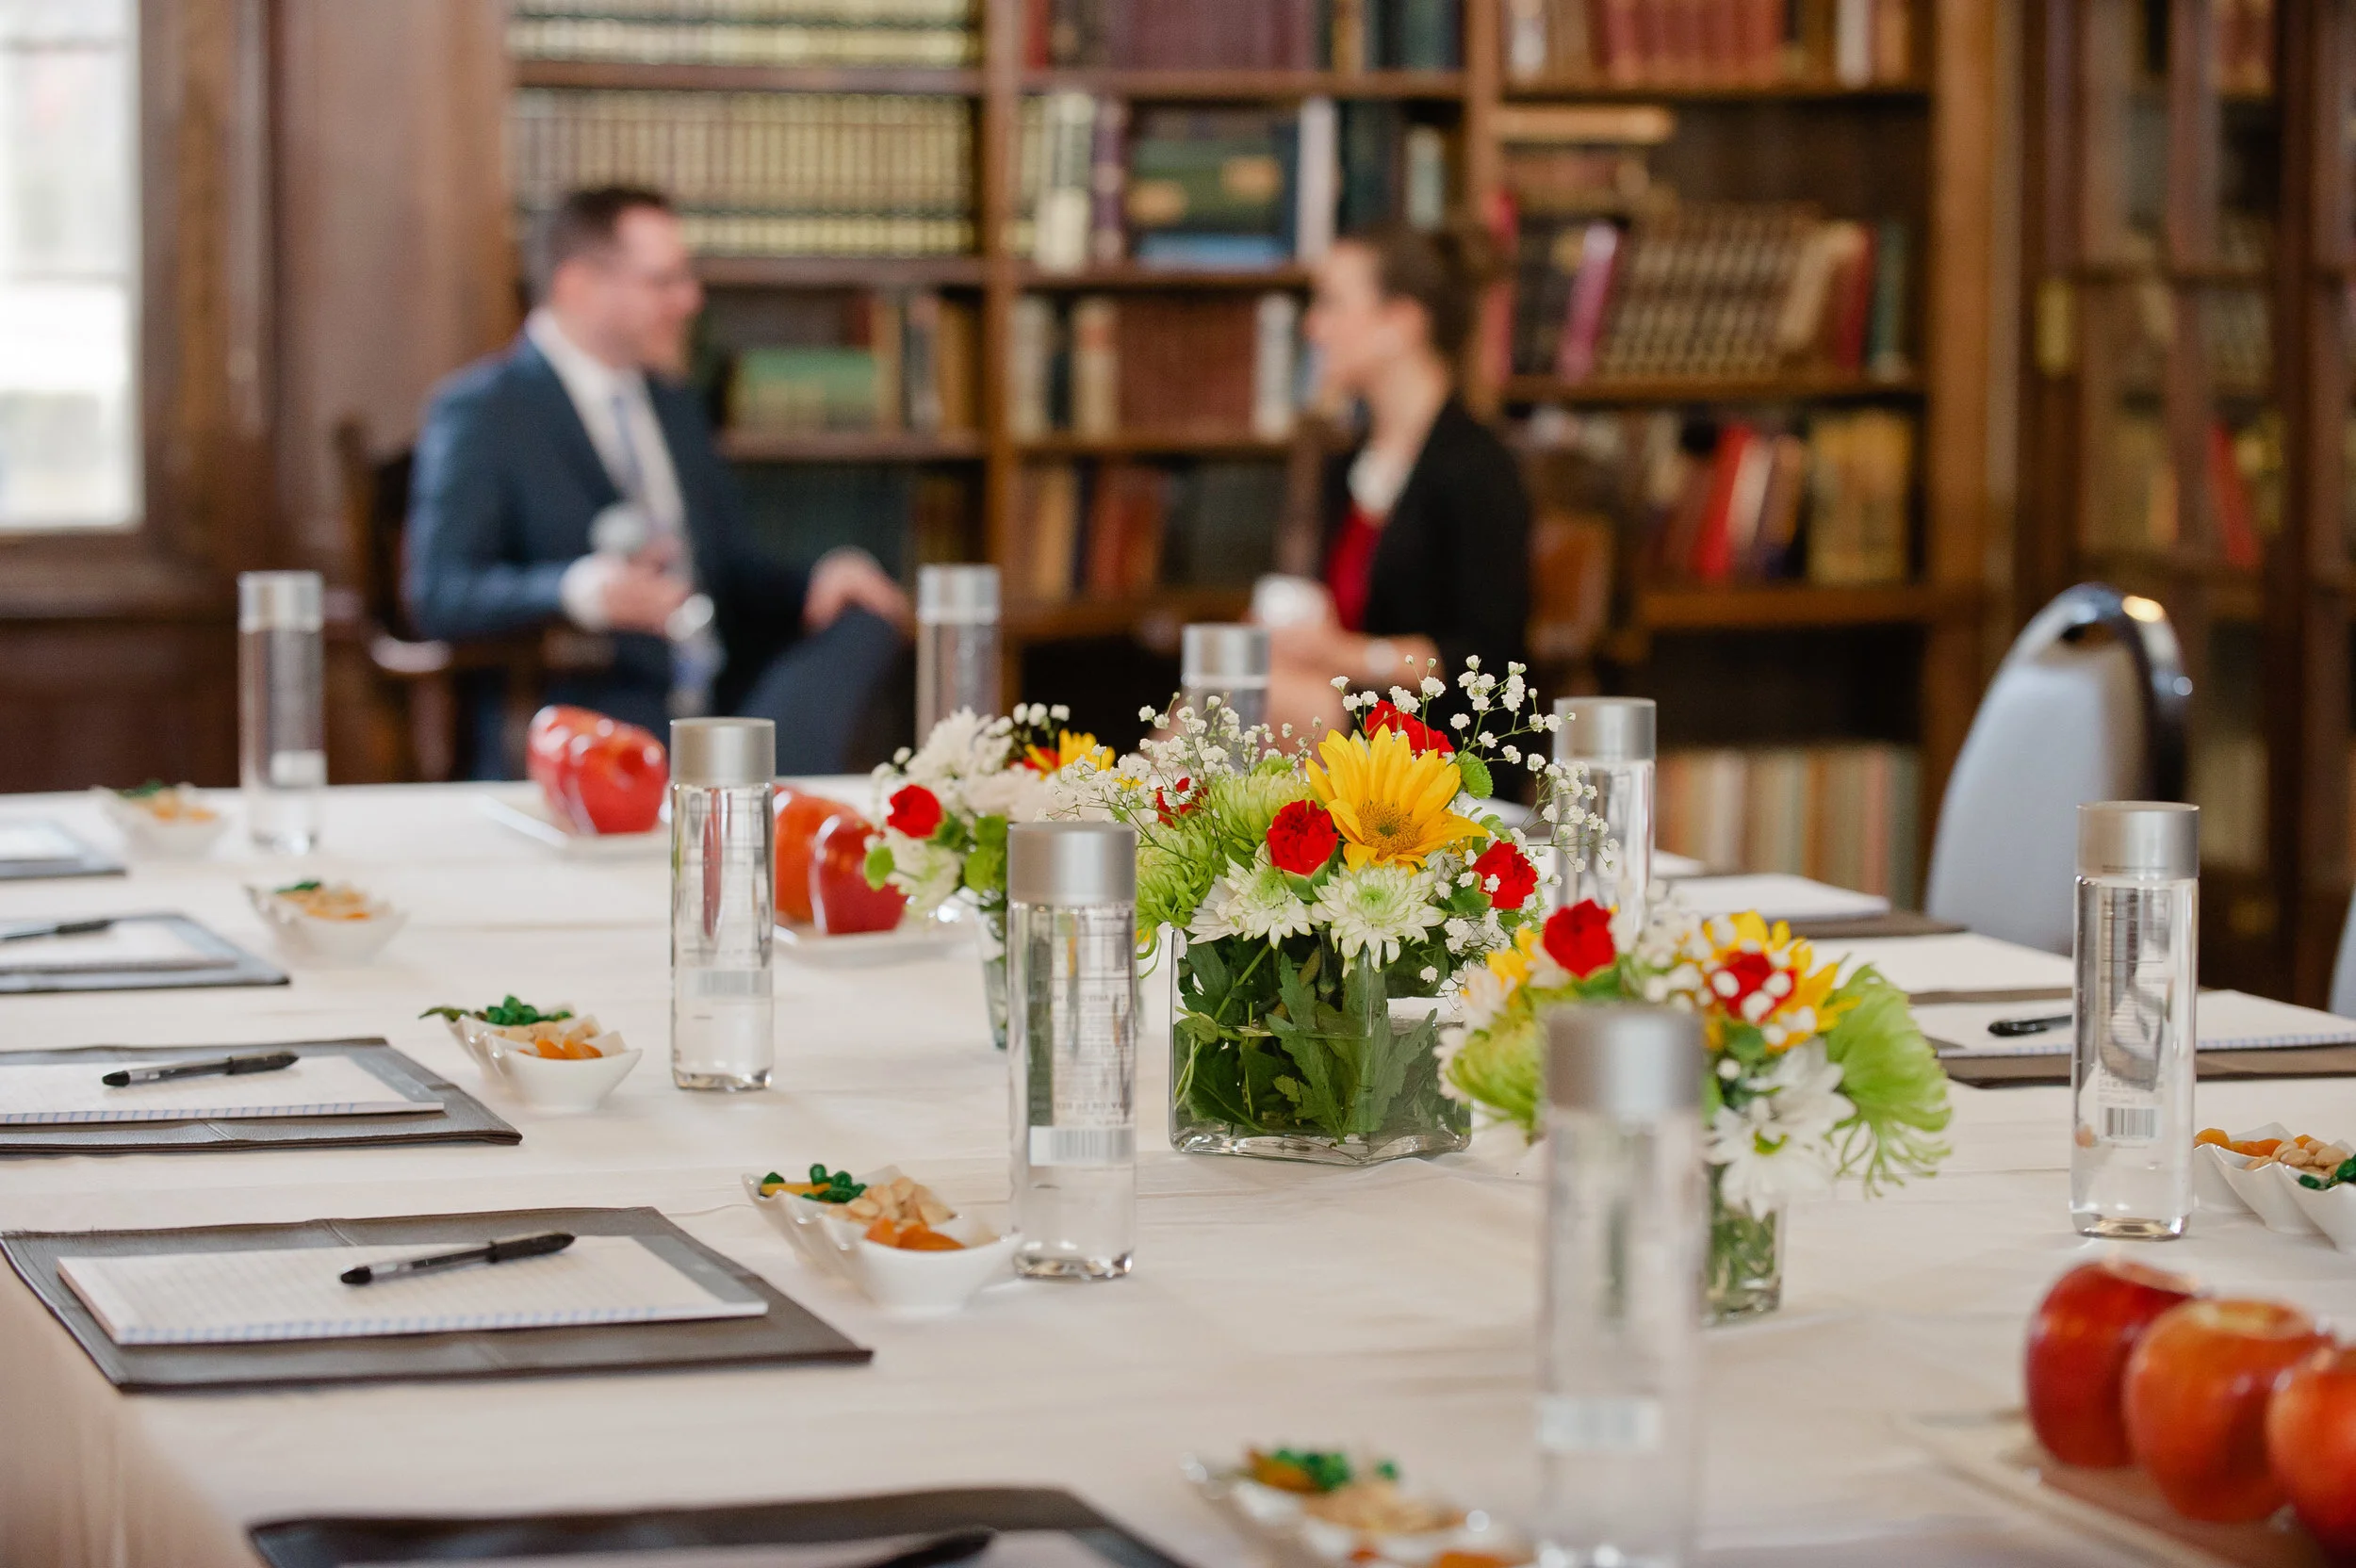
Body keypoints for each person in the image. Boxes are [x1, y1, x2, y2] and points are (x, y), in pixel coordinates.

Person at [406, 186, 911, 773]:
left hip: (715, 692)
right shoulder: (484, 410)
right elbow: (440, 593)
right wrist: (580, 591)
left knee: (865, 618)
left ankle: (747, 782)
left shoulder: (672, 404)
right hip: (596, 720)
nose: (690, 300)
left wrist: (819, 580)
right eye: (662, 281)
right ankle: (754, 789)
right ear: (578, 286)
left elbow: (732, 570)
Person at [1261, 219, 1531, 741]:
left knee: (1262, 699)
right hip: (1350, 705)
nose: (1313, 327)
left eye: (1332, 304)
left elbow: (1486, 656)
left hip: (1444, 727)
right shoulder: (1347, 462)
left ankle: (1128, 790)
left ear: (1401, 322)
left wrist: (1343, 654)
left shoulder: (1478, 467)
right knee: (1238, 685)